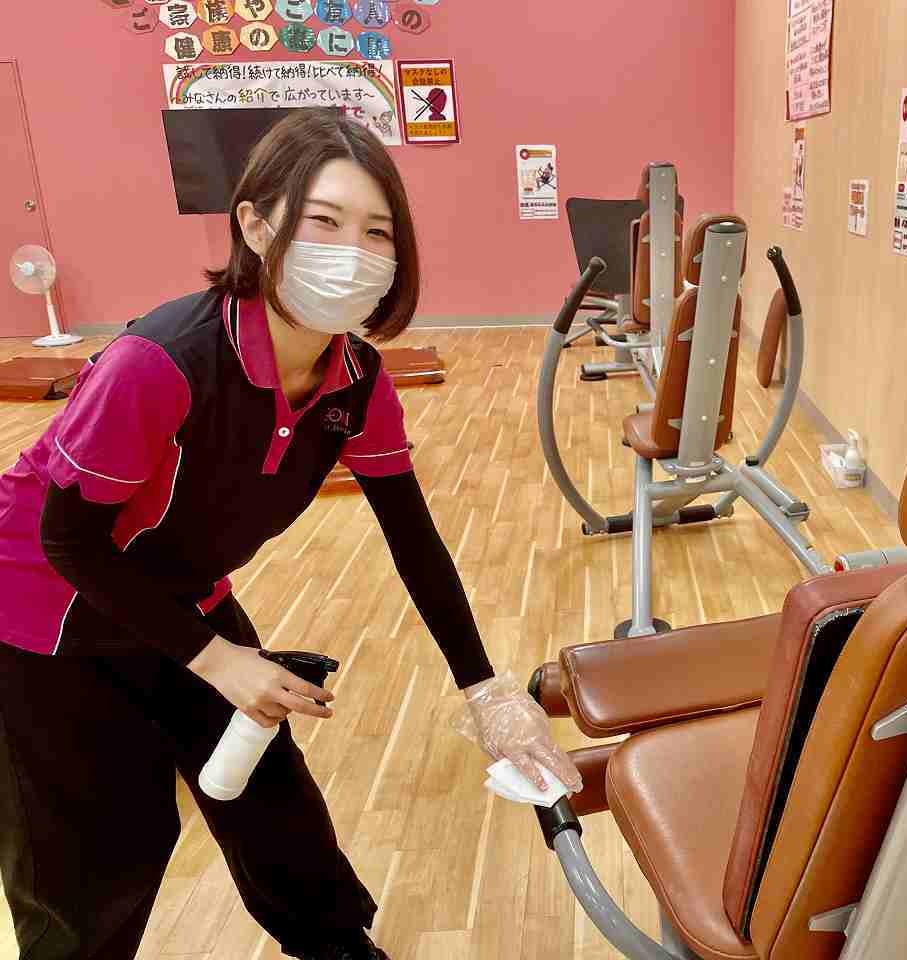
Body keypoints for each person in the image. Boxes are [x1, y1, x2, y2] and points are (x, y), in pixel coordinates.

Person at [0, 110, 581, 960]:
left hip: (181, 595)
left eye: (377, 231)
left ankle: (340, 949)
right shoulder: (159, 363)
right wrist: (218, 661)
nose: (355, 250)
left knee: (276, 808)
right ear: (255, 224)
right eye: (324, 221)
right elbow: (69, 542)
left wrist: (485, 691)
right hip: (46, 616)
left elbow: (414, 539)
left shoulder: (356, 379)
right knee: (101, 854)